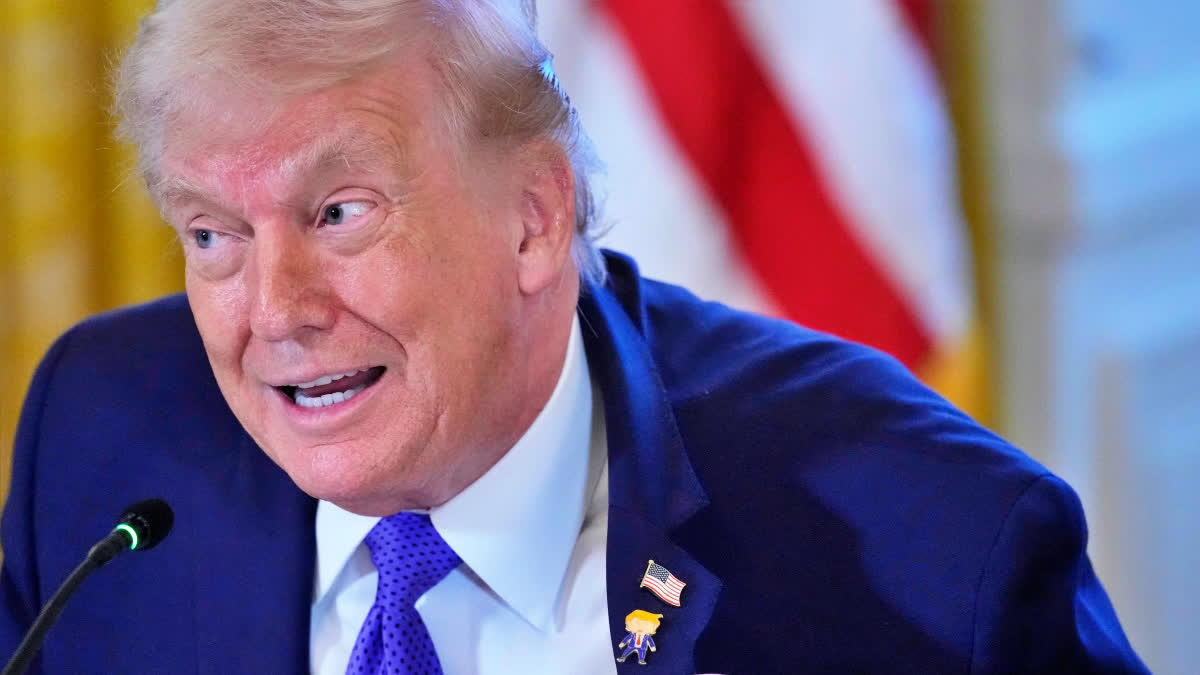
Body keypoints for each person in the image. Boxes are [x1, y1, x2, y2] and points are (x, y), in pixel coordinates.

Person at [0, 1, 1147, 673]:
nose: (275, 310)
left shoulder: (937, 556)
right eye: (212, 234)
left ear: (535, 218)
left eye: (338, 213)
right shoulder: (105, 445)